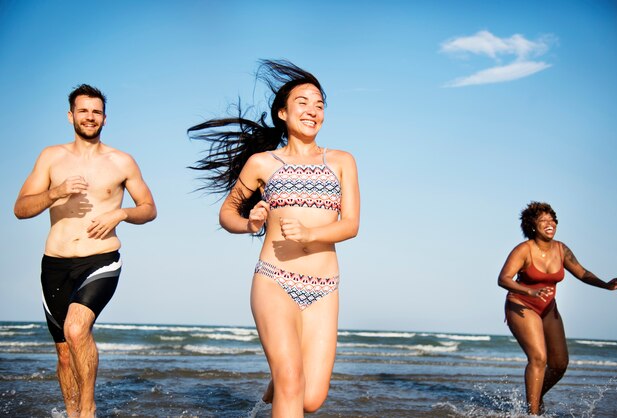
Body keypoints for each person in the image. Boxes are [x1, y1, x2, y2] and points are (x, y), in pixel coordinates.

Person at [188, 59, 359, 417]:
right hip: (274, 278)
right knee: (292, 382)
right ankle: (285, 375)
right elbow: (227, 213)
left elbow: (351, 224)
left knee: (310, 399)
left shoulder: (342, 160)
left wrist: (312, 233)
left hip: (324, 286)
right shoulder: (262, 164)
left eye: (319, 104)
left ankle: (281, 377)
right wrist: (250, 224)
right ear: (282, 112)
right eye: (303, 102)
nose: (313, 110)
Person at [14, 84, 157, 418]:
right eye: (83, 111)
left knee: (76, 329)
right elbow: (20, 208)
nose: (90, 117)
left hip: (101, 258)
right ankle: (71, 412)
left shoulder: (122, 161)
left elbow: (149, 208)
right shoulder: (51, 157)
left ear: (104, 119)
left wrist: (121, 213)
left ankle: (88, 410)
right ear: (71, 116)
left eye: (96, 112)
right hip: (55, 263)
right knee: (64, 352)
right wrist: (56, 193)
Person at [497, 201, 617, 415]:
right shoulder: (523, 250)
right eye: (543, 220)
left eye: (552, 219)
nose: (550, 223)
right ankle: (533, 413)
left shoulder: (561, 249)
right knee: (538, 358)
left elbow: (582, 273)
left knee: (559, 364)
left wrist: (606, 284)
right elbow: (503, 279)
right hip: (521, 305)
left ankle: (535, 397)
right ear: (532, 226)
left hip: (548, 308)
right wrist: (529, 292)